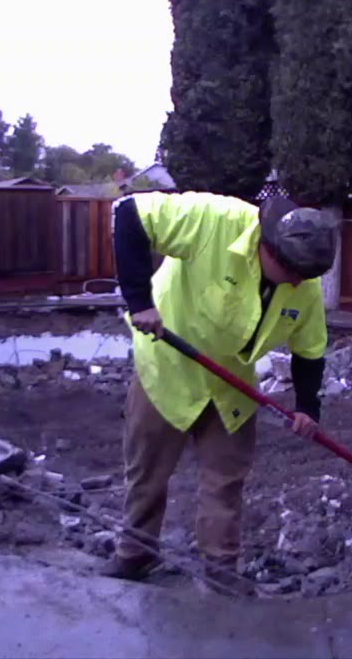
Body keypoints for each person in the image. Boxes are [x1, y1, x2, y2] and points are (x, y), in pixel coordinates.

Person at [103, 190, 337, 593]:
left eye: (308, 277)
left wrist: (307, 407)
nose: (301, 282)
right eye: (296, 273)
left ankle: (221, 572)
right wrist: (139, 301)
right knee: (147, 473)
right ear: (270, 250)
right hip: (169, 367)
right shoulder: (214, 221)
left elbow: (310, 350)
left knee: (225, 481)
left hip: (233, 384)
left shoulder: (304, 285)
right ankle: (136, 555)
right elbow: (129, 214)